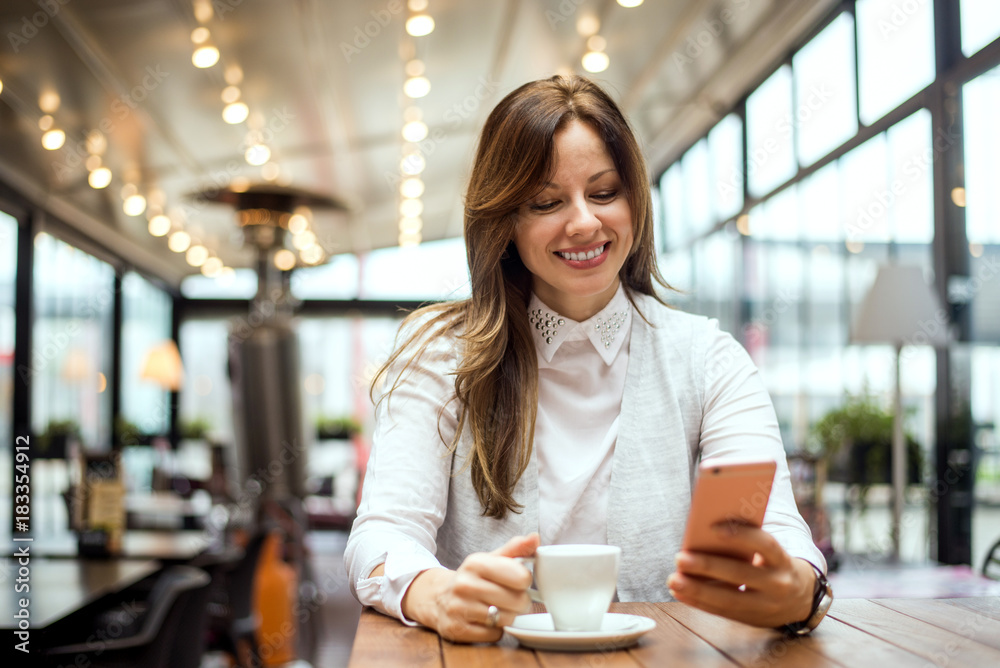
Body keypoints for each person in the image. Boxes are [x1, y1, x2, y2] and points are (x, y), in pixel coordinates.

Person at [344, 74, 828, 643]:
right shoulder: (440, 356)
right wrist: (433, 592)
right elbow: (382, 534)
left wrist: (796, 591)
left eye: (604, 193)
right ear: (505, 223)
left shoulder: (708, 359)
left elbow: (774, 529)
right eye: (547, 201)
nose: (584, 222)